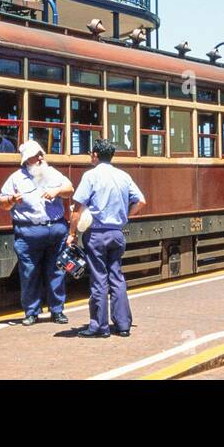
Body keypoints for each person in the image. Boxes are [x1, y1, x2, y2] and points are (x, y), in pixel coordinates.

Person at [67, 137, 145, 338]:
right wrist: (125, 216)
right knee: (116, 276)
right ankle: (123, 325)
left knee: (99, 278)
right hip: (117, 233)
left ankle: (99, 327)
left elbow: (77, 209)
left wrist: (72, 234)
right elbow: (141, 201)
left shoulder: (90, 176)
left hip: (97, 234)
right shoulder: (123, 176)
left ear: (94, 155)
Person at [0, 139, 73, 325]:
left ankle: (57, 310)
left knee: (57, 270)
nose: (41, 158)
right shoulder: (16, 178)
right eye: (36, 155)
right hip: (28, 232)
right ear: (26, 160)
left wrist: (57, 191)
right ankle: (31, 312)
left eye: (41, 154)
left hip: (55, 229)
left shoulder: (52, 173)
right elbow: (2, 204)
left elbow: (69, 189)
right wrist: (12, 199)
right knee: (29, 273)